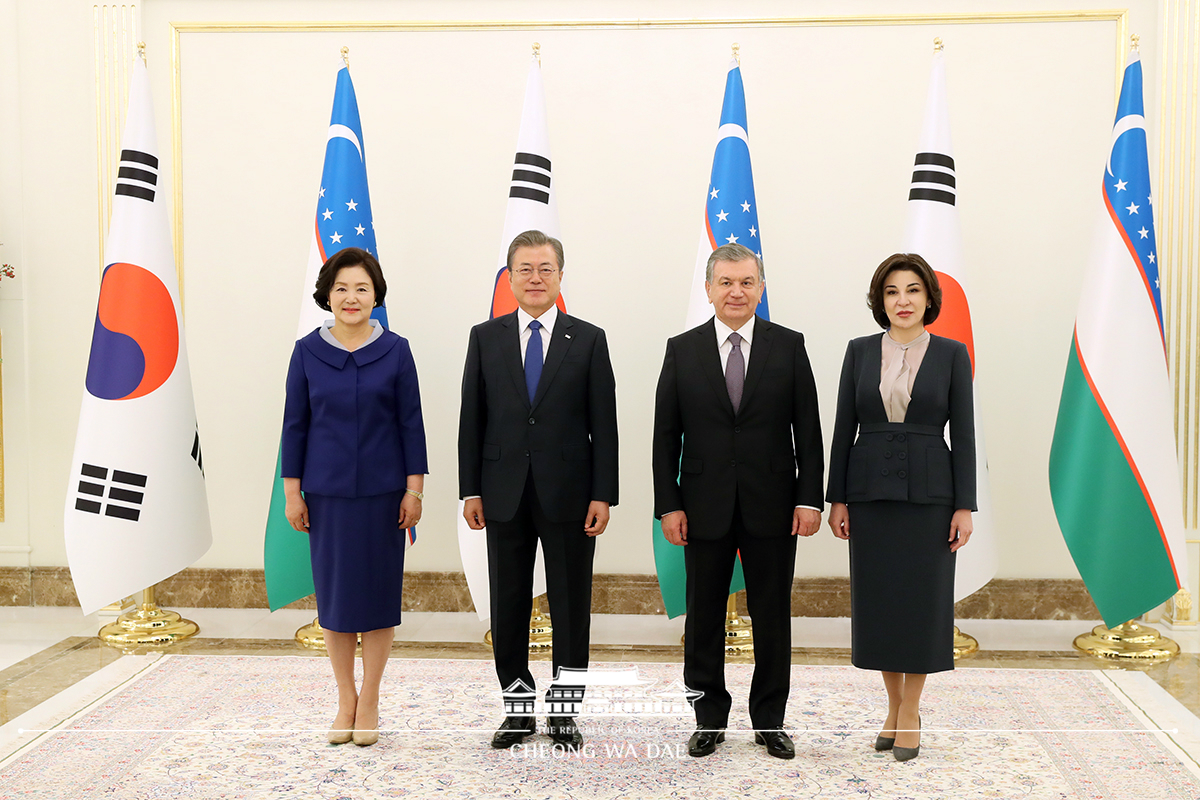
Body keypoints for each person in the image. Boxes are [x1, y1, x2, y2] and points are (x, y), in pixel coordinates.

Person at [652, 243, 824, 760]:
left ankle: (770, 720)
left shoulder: (788, 346)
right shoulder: (681, 349)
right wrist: (669, 504)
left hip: (773, 505)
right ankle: (708, 718)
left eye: (746, 282)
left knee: (772, 614)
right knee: (703, 615)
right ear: (708, 289)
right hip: (701, 507)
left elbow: (809, 434)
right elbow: (665, 437)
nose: (736, 291)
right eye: (726, 282)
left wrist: (810, 499)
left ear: (761, 288)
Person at [458, 230, 619, 751]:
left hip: (572, 494)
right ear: (509, 277)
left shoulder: (588, 338)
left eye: (545, 268)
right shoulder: (485, 337)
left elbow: (605, 425)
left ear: (560, 276)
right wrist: (470, 490)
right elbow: (471, 421)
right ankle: (517, 710)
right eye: (524, 269)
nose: (534, 278)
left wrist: (603, 493)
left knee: (572, 603)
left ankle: (566, 712)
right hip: (501, 491)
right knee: (509, 603)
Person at [826, 253, 976, 762]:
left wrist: (965, 505)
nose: (902, 300)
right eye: (892, 291)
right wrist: (837, 497)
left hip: (931, 498)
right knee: (882, 606)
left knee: (921, 605)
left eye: (912, 290)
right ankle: (892, 707)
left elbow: (966, 435)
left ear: (929, 298)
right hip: (869, 496)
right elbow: (844, 428)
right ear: (880, 300)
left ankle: (911, 710)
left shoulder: (952, 354)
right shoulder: (859, 351)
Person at [281, 246, 428, 747]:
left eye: (362, 288)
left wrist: (415, 491)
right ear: (327, 293)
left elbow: (412, 425)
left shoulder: (397, 350)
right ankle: (345, 696)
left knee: (379, 599)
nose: (351, 297)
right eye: (342, 288)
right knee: (337, 602)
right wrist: (292, 493)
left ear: (376, 295)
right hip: (326, 498)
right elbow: (294, 426)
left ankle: (372, 697)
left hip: (386, 498)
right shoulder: (307, 352)